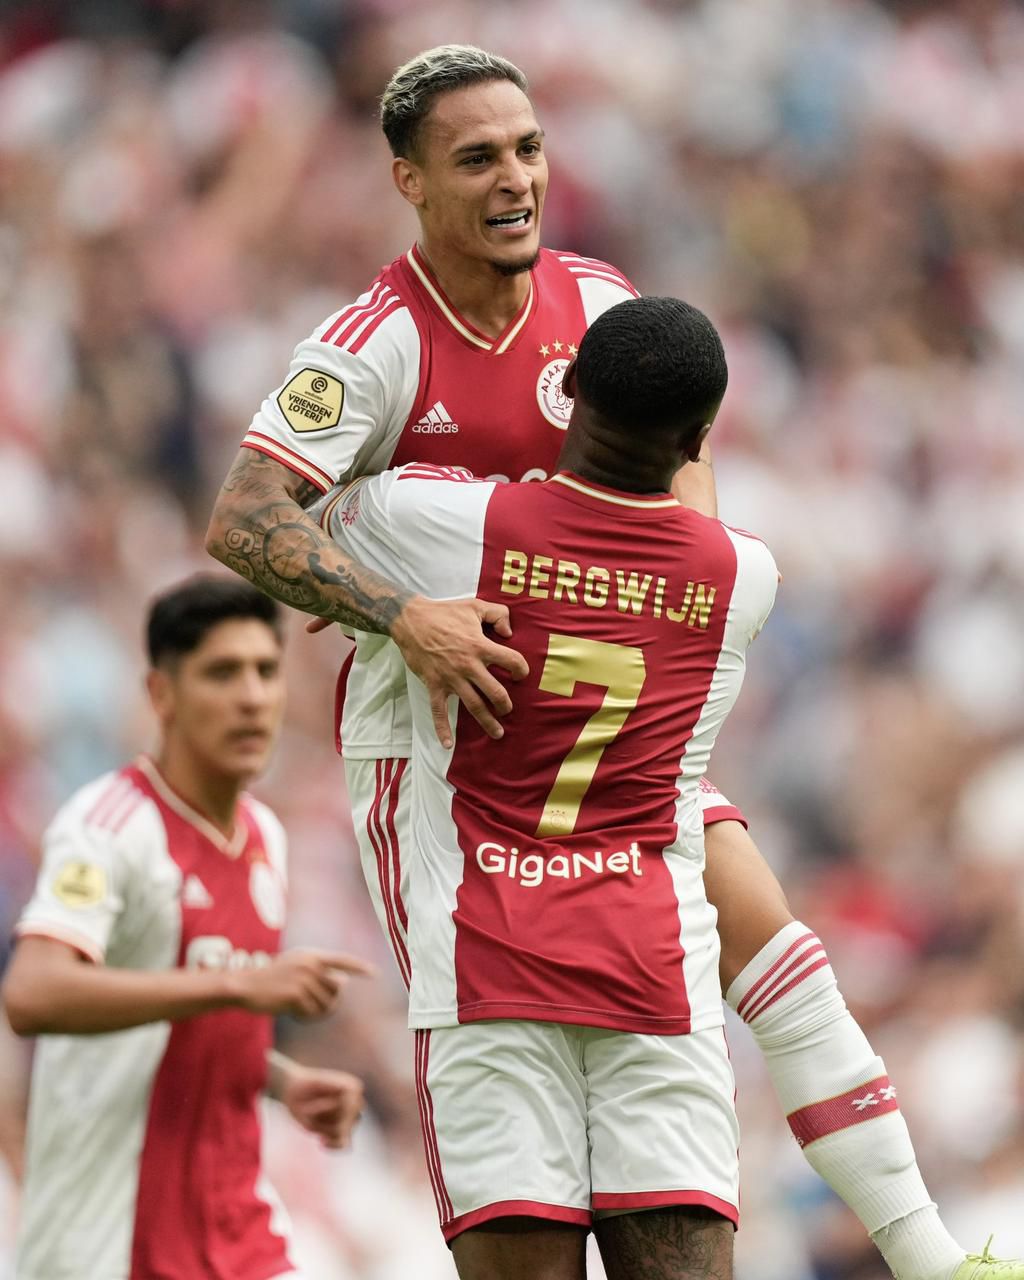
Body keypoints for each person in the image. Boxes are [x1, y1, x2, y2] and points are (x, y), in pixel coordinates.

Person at [206, 44, 1021, 1280]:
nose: (514, 178)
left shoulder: (596, 305)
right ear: (408, 181)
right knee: (559, 1018)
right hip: (439, 740)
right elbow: (247, 517)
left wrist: (648, 598)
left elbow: (683, 490)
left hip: (608, 703)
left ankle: (930, 1251)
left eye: (528, 148)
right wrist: (401, 613)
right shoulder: (373, 344)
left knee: (760, 925)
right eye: (475, 157)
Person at [325, 294, 767, 1279]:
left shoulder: (445, 524)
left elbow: (320, 507)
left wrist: (393, 601)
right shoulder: (743, 577)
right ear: (698, 439)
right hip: (653, 971)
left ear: (565, 391)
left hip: (492, 968)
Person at [2, 575, 370, 1280]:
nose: (252, 697)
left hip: (238, 1229)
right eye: (221, 673)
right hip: (109, 1240)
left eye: (266, 671)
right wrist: (241, 983)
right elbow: (33, 992)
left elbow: (193, 1020)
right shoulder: (108, 824)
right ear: (160, 695)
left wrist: (285, 1081)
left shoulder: (266, 834)